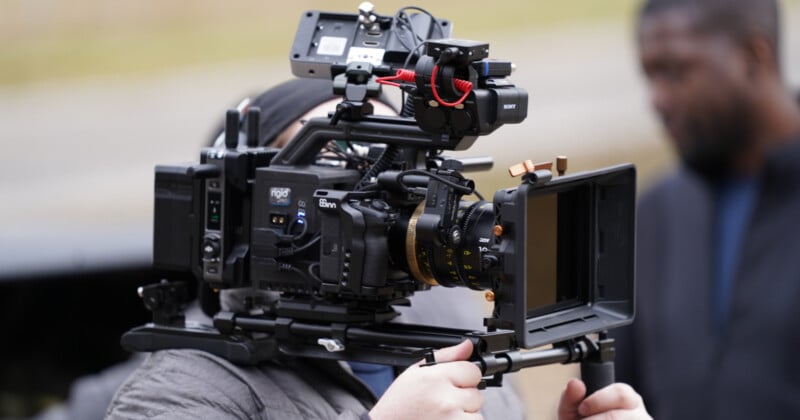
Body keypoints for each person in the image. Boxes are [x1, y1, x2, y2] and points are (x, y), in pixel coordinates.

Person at [104, 78, 651, 419]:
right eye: (345, 168)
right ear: (253, 214)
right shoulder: (183, 391)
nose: (386, 202)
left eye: (396, 170)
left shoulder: (454, 327)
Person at [614, 0, 800, 418]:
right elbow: (620, 389)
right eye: (650, 76)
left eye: (676, 72)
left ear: (754, 56)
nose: (658, 100)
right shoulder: (654, 216)